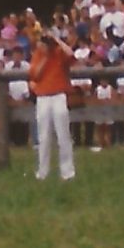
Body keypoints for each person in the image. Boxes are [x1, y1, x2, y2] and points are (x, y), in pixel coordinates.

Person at [26, 20, 77, 182]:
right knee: (44, 135)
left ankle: (67, 172)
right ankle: (43, 172)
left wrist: (57, 41)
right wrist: (45, 57)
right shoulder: (38, 55)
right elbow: (35, 75)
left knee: (63, 134)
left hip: (59, 95)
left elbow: (71, 55)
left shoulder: (59, 53)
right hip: (43, 97)